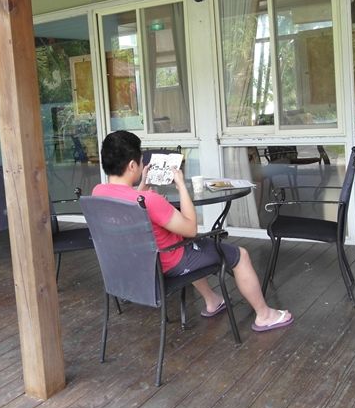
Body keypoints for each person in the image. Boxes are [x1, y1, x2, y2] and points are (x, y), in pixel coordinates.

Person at [92, 130, 293, 332]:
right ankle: (264, 315)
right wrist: (181, 186)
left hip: (131, 267)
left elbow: (129, 203)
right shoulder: (150, 200)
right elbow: (190, 229)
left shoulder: (98, 193)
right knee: (239, 255)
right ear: (132, 166)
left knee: (191, 244)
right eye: (141, 160)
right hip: (167, 264)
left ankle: (213, 300)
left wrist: (142, 185)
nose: (143, 163)